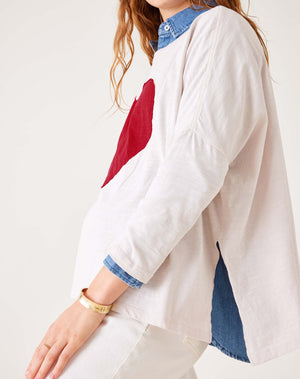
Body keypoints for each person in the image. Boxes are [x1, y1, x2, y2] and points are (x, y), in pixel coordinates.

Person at [25, 1, 300, 378]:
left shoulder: (219, 29)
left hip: (144, 302)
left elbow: (190, 173)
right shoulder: (169, 51)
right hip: (127, 299)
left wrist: (93, 303)